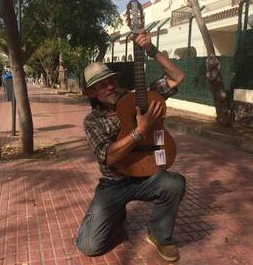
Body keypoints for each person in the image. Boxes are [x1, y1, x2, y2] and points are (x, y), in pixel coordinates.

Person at [75, 29, 186, 262]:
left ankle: (159, 235)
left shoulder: (140, 97)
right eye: (102, 85)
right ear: (92, 93)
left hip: (148, 176)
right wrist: (140, 131)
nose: (110, 87)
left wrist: (151, 50)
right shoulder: (93, 121)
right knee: (89, 246)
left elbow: (177, 77)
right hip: (114, 184)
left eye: (112, 81)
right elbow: (109, 157)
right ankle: (115, 219)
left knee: (174, 183)